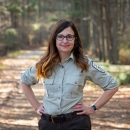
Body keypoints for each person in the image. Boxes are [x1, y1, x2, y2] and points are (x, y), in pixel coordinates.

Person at [20, 19, 118, 130]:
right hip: (48, 124)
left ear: (75, 40)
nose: (65, 41)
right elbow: (24, 81)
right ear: (54, 39)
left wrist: (93, 108)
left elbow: (112, 85)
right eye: (60, 36)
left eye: (69, 37)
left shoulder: (84, 64)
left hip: (76, 124)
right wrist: (36, 106)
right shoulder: (44, 64)